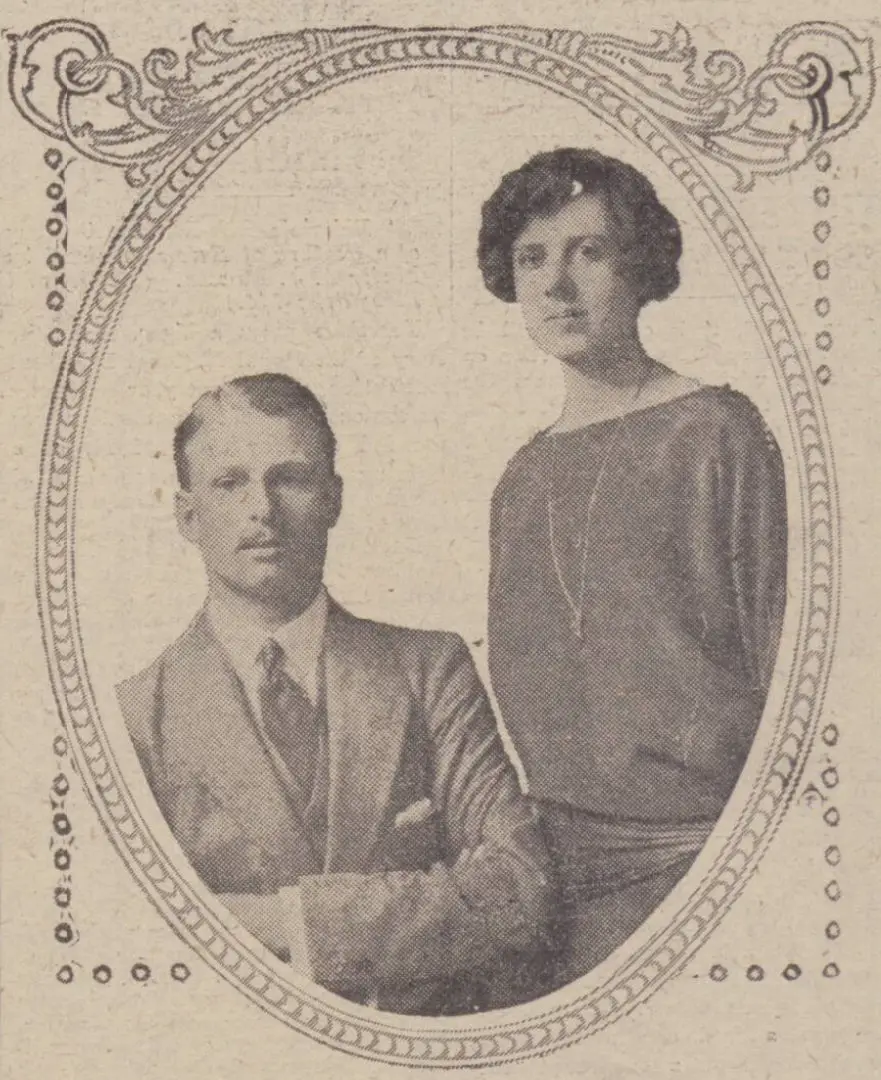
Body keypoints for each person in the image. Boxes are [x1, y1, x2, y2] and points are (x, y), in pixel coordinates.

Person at [116, 373, 552, 1015]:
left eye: (289, 478)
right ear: (188, 516)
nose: (261, 508)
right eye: (229, 483)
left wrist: (283, 923)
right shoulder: (135, 718)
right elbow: (139, 943)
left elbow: (520, 886)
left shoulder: (429, 671)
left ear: (333, 499)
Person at [479, 148, 788, 987]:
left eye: (589, 250)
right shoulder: (519, 479)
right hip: (555, 884)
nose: (556, 284)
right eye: (531, 258)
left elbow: (790, 671)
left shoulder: (716, 431)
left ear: (640, 265)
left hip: (700, 873)